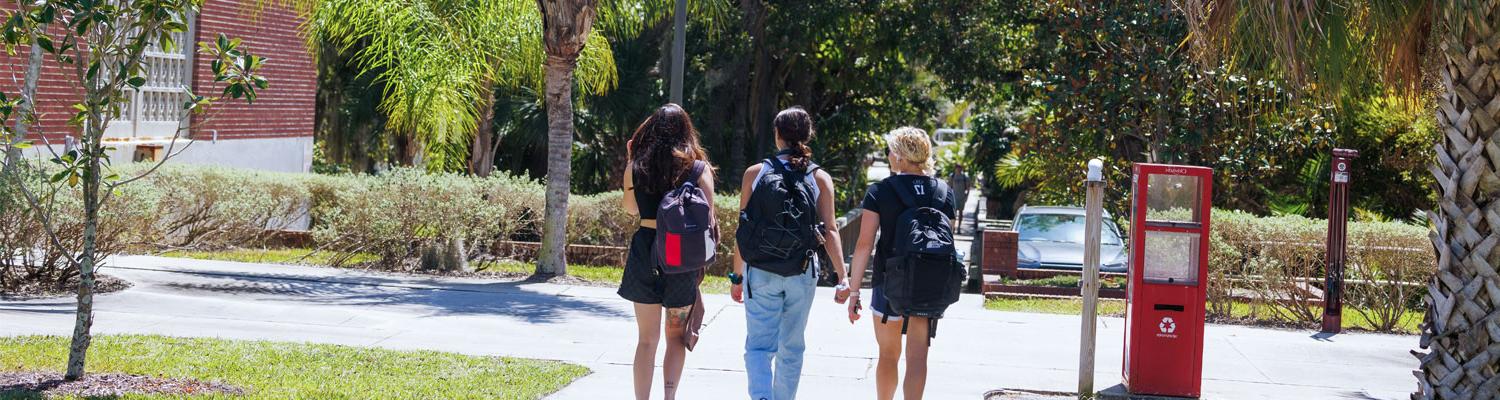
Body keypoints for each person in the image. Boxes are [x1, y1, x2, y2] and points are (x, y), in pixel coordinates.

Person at [731, 107, 850, 400]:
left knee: (759, 346)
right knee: (792, 346)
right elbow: (831, 230)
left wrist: (737, 275)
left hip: (760, 270)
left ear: (777, 134)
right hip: (802, 270)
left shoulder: (756, 173)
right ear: (808, 136)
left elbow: (743, 229)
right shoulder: (819, 177)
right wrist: (842, 277)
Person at [846, 127, 958, 400]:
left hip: (889, 281)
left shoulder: (881, 191)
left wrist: (854, 291)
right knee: (918, 356)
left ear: (899, 156)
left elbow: (864, 244)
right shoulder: (944, 192)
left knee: (887, 354)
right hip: (928, 282)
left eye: (890, 150)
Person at [620, 104, 716, 400]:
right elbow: (709, 218)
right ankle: (669, 397)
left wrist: (630, 160)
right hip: (680, 256)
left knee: (646, 341)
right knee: (675, 337)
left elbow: (630, 208)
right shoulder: (699, 168)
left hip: (646, 249)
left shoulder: (637, 166)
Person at [948, 164, 971, 234]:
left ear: (961, 168)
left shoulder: (965, 177)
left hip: (961, 197)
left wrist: (966, 197)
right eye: (957, 168)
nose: (958, 169)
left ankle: (959, 227)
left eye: (959, 168)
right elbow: (949, 187)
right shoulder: (952, 176)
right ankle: (953, 227)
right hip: (953, 198)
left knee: (961, 213)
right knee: (953, 214)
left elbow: (968, 188)